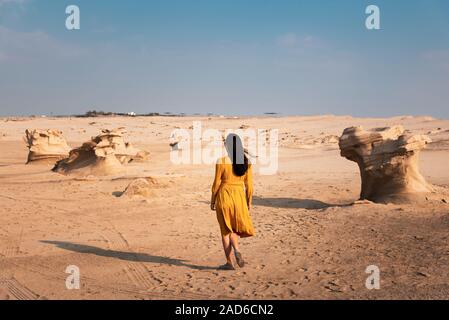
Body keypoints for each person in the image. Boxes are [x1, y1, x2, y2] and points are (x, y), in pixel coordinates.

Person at [211, 133, 255, 270]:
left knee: (225, 231)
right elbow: (250, 186)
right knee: (234, 228)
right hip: (239, 198)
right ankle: (236, 249)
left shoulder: (221, 161)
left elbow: (216, 184)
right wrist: (248, 202)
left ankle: (229, 263)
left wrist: (213, 200)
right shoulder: (246, 163)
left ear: (227, 146)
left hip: (224, 196)